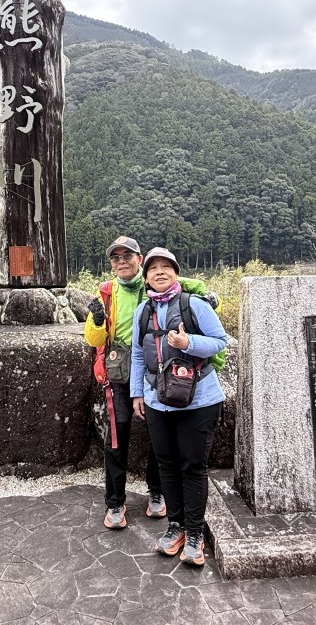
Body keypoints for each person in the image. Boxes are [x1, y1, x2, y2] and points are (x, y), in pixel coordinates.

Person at [85, 236, 215, 531]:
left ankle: (157, 493)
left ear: (139, 259)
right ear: (111, 264)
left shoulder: (153, 287)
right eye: (115, 258)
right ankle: (115, 502)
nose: (121, 261)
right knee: (116, 440)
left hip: (157, 372)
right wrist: (95, 319)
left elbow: (186, 283)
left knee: (160, 438)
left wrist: (208, 295)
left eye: (127, 256)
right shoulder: (106, 292)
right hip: (119, 374)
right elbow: (94, 340)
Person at [131, 247, 228, 567]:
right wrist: (137, 394)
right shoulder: (142, 312)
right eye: (153, 268)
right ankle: (176, 526)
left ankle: (195, 532)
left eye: (166, 267)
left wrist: (188, 344)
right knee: (167, 464)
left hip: (199, 400)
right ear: (145, 276)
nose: (160, 272)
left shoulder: (194, 305)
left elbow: (219, 341)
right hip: (158, 400)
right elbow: (136, 354)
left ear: (175, 272)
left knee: (193, 466)